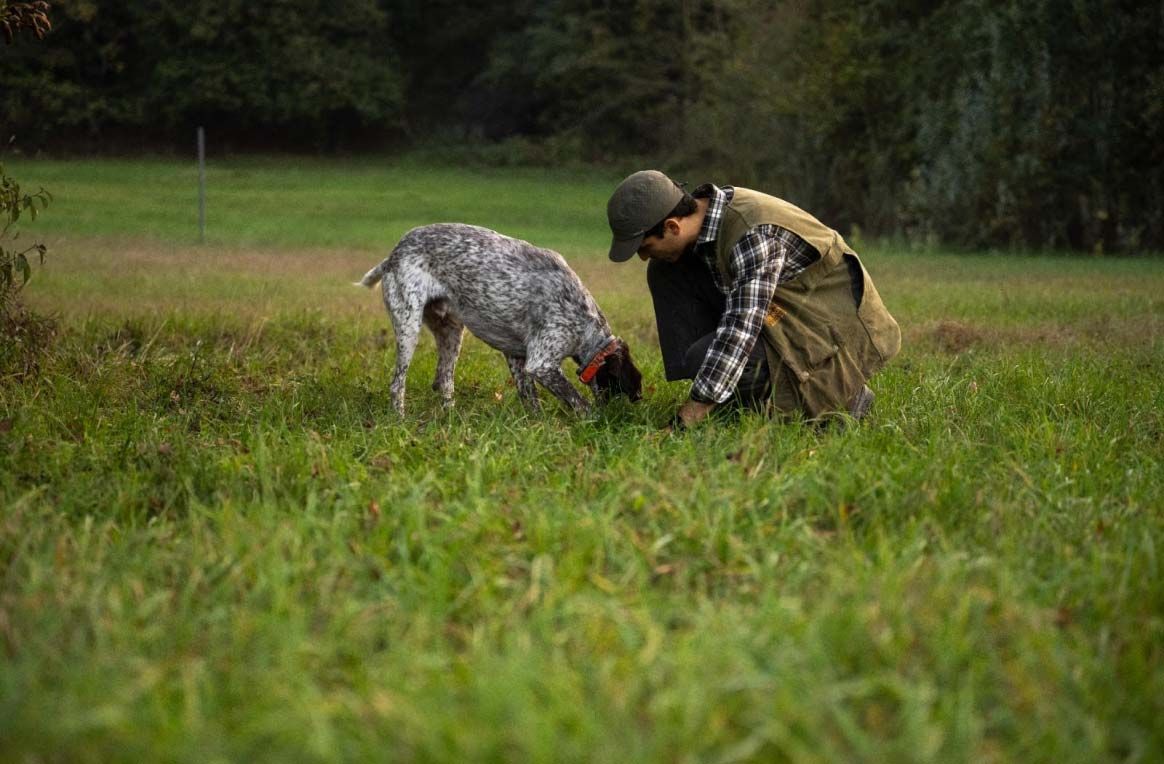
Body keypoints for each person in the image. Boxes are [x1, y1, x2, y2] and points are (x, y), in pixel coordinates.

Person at [606, 170, 901, 428]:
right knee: (665, 271)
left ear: (672, 226)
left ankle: (843, 396)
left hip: (832, 324)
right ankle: (729, 392)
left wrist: (686, 419)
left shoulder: (752, 233)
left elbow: (742, 327)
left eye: (645, 246)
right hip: (780, 307)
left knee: (704, 356)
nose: (642, 256)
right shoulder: (709, 219)